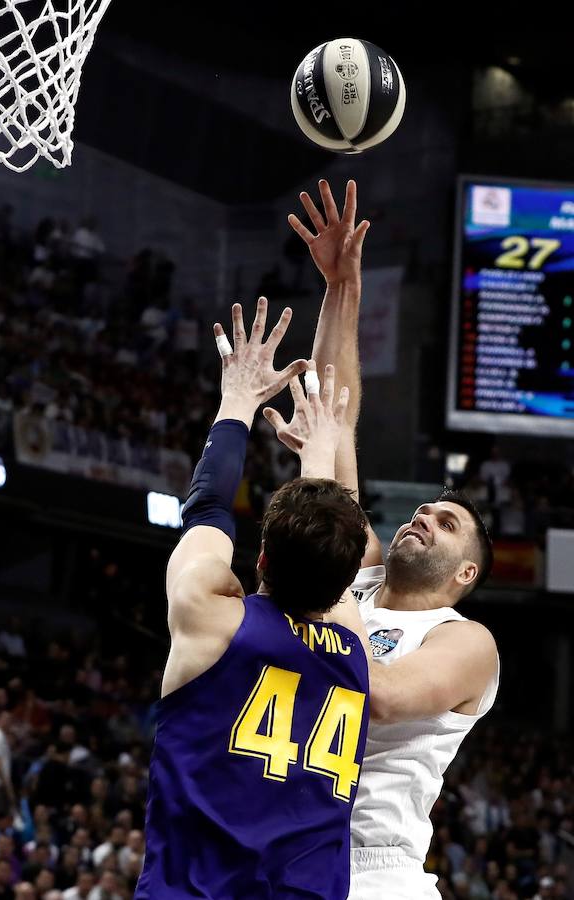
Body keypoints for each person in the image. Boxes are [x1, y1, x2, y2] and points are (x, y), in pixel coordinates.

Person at [286, 180, 500, 900]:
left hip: (374, 870)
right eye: (424, 511)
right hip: (285, 842)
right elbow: (335, 415)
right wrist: (340, 290)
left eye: (445, 523)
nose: (423, 519)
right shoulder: (360, 573)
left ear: (465, 571)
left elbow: (377, 695)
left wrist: (331, 582)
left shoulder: (464, 640)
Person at [135, 298, 372, 899]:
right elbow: (338, 542)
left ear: (260, 559)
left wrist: (238, 400)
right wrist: (319, 454)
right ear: (350, 582)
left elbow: (208, 508)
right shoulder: (356, 646)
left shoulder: (210, 617)